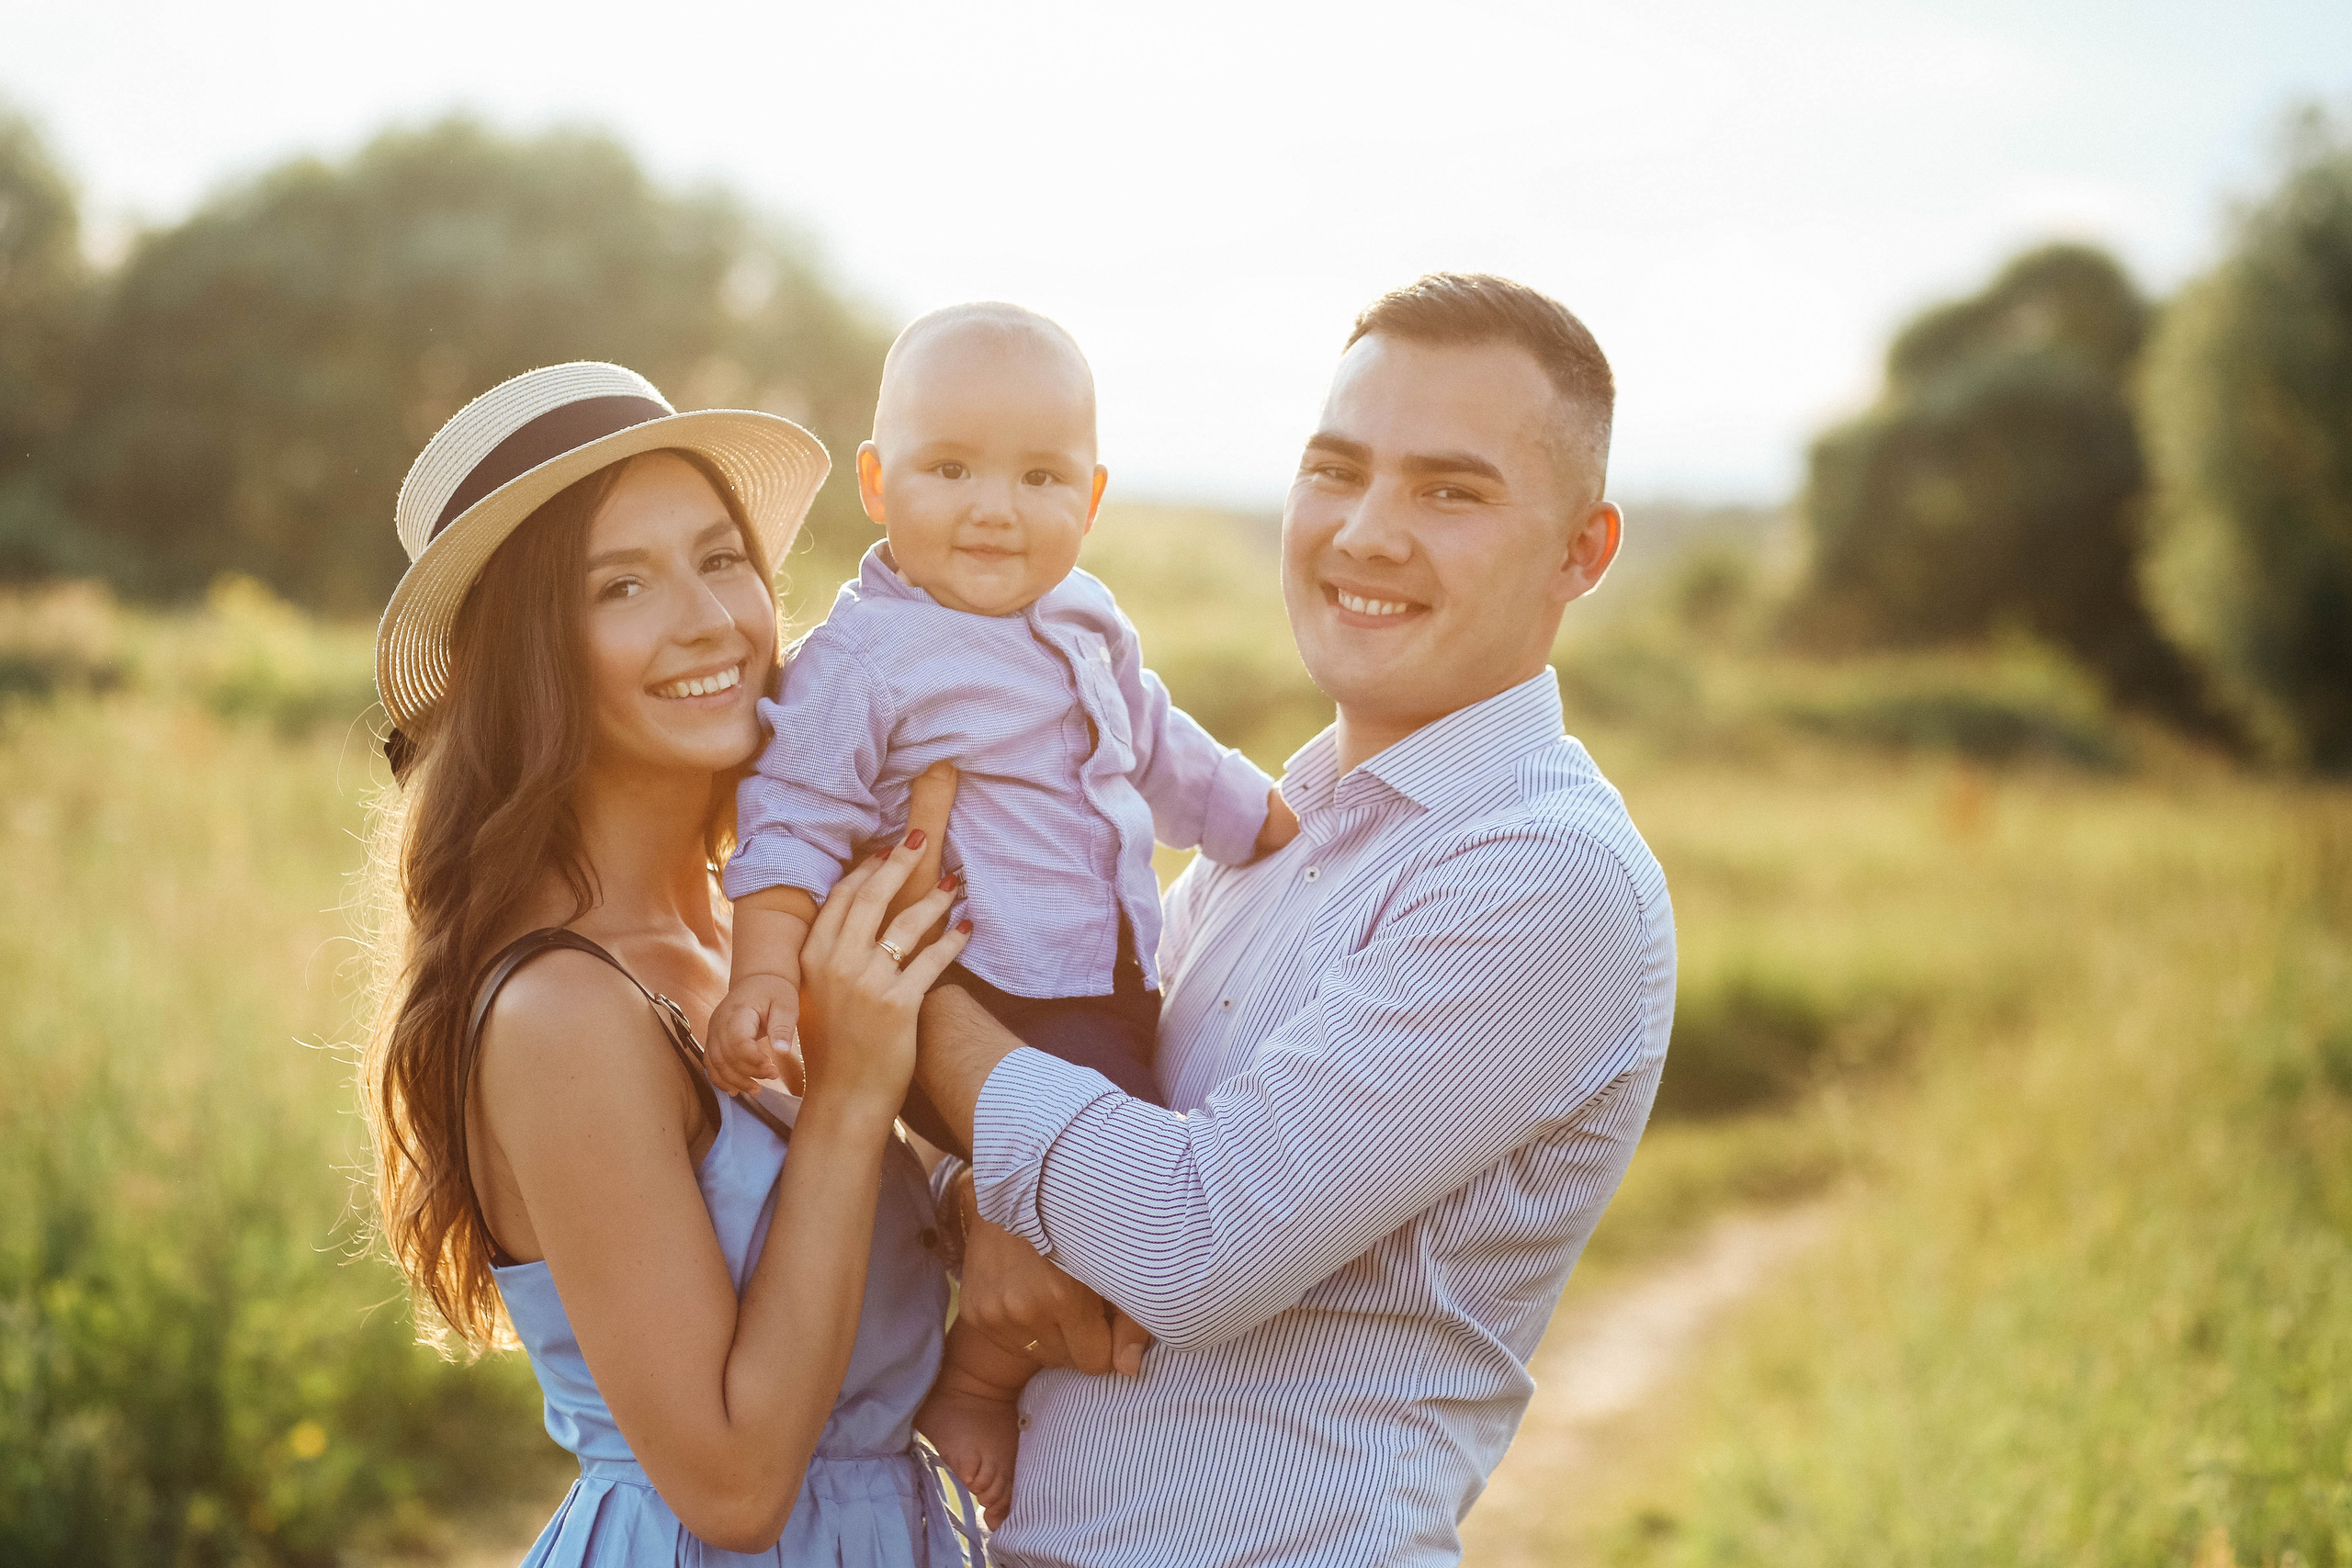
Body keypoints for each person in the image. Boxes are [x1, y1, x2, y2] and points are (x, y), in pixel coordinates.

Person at [913, 275, 1679, 1565]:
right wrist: (982, 1201)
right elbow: (1082, 1138)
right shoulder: (1271, 839)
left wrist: (906, 1002)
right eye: (1337, 470)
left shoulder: (1545, 873)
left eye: (1451, 490)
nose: (1368, 532)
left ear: (1580, 554)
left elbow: (1188, 1241)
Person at [360, 360, 984, 1565]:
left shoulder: (744, 931)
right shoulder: (564, 1009)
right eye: (623, 585)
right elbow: (734, 1488)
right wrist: (855, 1097)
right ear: (532, 656)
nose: (708, 620)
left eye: (721, 559)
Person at [702, 305, 1295, 1517]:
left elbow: (1160, 749)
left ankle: (1017, 1298)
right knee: (1122, 1196)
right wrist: (763, 975)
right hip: (969, 989)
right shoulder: (867, 658)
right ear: (878, 482)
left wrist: (1266, 820)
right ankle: (973, 1377)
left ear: (1093, 492)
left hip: (1099, 984)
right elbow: (793, 818)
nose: (995, 508)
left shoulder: (1090, 623)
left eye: (1040, 476)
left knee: (1131, 1183)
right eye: (951, 468)